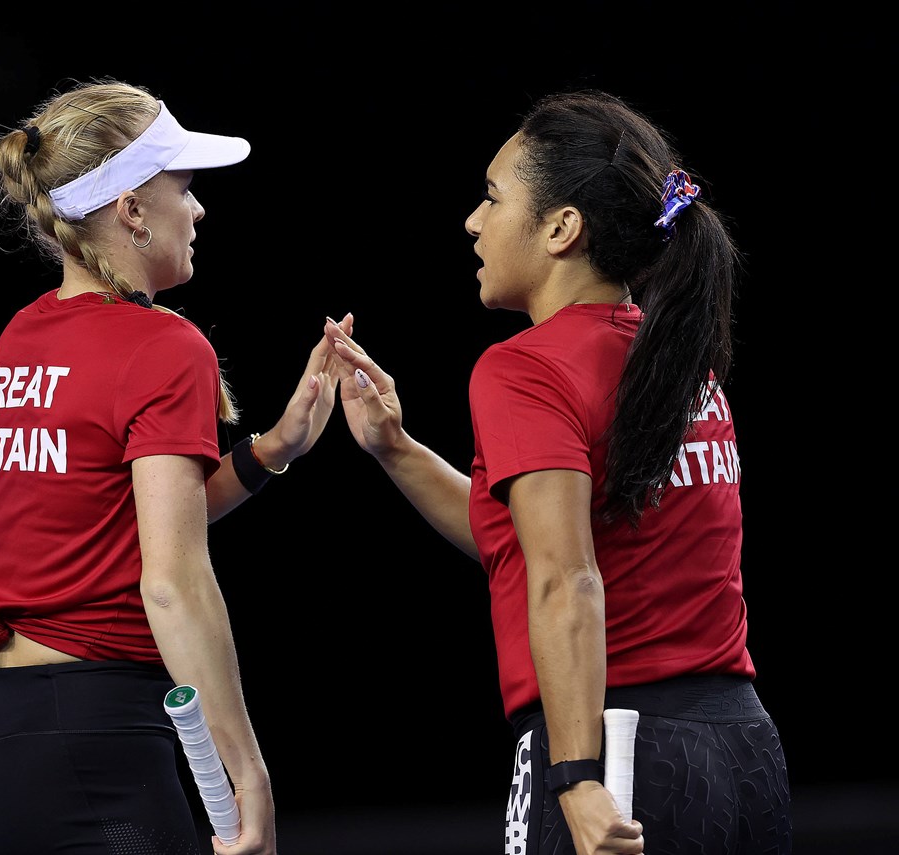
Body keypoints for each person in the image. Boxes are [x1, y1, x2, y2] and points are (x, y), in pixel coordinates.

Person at [324, 89, 791, 855]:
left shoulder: (524, 369)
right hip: (743, 754)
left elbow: (565, 578)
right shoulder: (677, 362)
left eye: (492, 197)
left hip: (619, 754)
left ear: (560, 228)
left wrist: (576, 776)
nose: (474, 222)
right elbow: (528, 544)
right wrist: (396, 447)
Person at [0, 78, 351, 855]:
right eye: (183, 187)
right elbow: (171, 579)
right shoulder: (162, 347)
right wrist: (246, 767)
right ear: (130, 209)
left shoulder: (22, 335)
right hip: (87, 754)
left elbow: (112, 516)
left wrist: (270, 452)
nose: (197, 209)